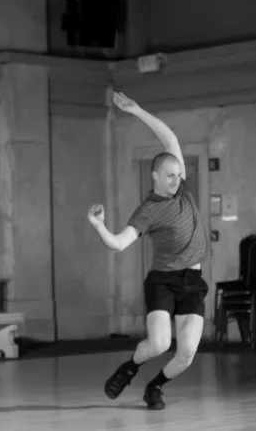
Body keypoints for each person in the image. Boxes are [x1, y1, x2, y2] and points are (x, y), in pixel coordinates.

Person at [87, 92, 210, 411]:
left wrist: (137, 110)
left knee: (186, 353)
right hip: (162, 281)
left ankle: (155, 386)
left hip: (192, 281)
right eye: (169, 175)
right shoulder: (147, 211)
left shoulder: (182, 190)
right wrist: (99, 225)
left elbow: (168, 136)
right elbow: (119, 243)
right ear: (154, 175)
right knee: (159, 344)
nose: (176, 179)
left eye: (178, 174)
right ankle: (129, 367)